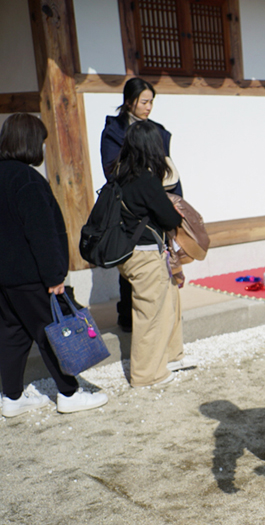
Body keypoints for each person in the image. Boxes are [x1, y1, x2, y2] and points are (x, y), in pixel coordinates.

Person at [0, 113, 108, 417]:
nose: (44, 149)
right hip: (31, 275)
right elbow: (42, 233)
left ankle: (12, 398)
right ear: (31, 143)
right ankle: (69, 393)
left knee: (12, 333)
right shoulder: (27, 180)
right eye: (42, 143)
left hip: (6, 278)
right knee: (52, 332)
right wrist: (54, 274)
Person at [113, 121, 195, 387]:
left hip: (131, 253)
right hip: (144, 256)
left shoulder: (121, 175)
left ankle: (170, 357)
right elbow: (169, 217)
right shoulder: (145, 179)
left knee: (169, 302)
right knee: (150, 314)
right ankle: (147, 375)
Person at [100, 77, 182, 333]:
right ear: (128, 101)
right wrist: (143, 183)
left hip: (156, 201)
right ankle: (128, 316)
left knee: (162, 259)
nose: (148, 107)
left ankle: (160, 319)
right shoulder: (114, 131)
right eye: (144, 102)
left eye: (151, 102)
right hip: (131, 204)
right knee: (130, 257)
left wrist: (176, 200)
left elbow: (168, 170)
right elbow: (112, 170)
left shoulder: (157, 130)